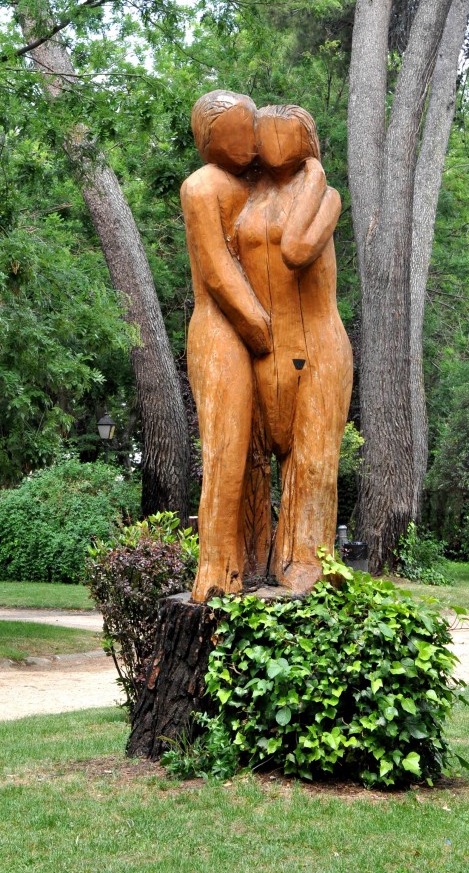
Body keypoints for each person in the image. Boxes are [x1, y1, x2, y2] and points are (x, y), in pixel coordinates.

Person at [234, 103, 353, 594]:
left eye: (288, 135)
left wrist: (314, 178)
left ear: (307, 143)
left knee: (313, 464)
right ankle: (248, 559)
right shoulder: (242, 196)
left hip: (317, 348)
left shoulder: (325, 197)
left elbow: (297, 250)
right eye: (267, 134)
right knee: (249, 459)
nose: (274, 143)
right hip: (259, 349)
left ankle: (304, 562)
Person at [181, 91, 272, 602]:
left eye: (252, 126)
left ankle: (259, 555)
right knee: (227, 450)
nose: (251, 137)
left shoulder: (260, 186)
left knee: (259, 453)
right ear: (212, 137)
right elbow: (216, 268)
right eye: (240, 129)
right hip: (222, 331)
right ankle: (217, 569)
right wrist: (258, 324)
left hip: (265, 333)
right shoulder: (202, 186)